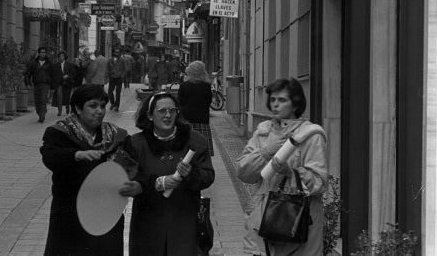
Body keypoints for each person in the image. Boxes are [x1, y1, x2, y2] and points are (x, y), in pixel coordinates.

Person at [40, 84, 141, 256]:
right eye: (93, 106)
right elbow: (50, 156)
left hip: (107, 214)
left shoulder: (116, 136)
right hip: (70, 214)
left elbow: (133, 167)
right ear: (78, 108)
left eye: (102, 106)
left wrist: (136, 184)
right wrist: (76, 155)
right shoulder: (60, 132)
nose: (100, 111)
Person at [236, 78, 328, 256]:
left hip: (299, 223)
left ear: (295, 104)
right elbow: (244, 173)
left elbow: (319, 183)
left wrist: (291, 173)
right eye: (273, 100)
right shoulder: (263, 131)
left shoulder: (311, 135)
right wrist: (266, 152)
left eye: (282, 100)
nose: (275, 105)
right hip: (262, 221)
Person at [128, 91, 215, 256]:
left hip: (185, 221)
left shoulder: (195, 141)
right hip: (148, 225)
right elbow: (131, 177)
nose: (168, 115)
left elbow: (208, 176)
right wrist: (157, 183)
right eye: (161, 111)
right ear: (150, 115)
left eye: (172, 110)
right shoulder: (136, 144)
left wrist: (191, 174)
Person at [178, 61, 214, 156]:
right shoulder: (206, 86)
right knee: (202, 152)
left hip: (186, 121)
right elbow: (208, 102)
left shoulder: (184, 86)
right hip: (202, 121)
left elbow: (180, 103)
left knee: (186, 151)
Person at [24, 46, 54, 123]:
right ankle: (40, 113)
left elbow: (53, 75)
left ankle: (42, 115)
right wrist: (27, 83)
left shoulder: (49, 63)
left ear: (45, 53)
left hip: (45, 84)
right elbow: (28, 73)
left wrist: (53, 86)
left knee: (43, 100)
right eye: (41, 52)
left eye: (44, 52)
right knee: (37, 101)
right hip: (36, 84)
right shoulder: (33, 63)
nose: (43, 54)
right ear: (39, 53)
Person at [52, 50, 75, 116]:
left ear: (65, 57)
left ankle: (67, 106)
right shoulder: (55, 66)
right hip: (59, 83)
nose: (61, 57)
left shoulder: (69, 65)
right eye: (60, 56)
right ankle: (59, 111)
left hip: (67, 83)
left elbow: (73, 74)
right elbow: (54, 75)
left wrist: (68, 76)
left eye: (62, 56)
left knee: (67, 97)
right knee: (59, 96)